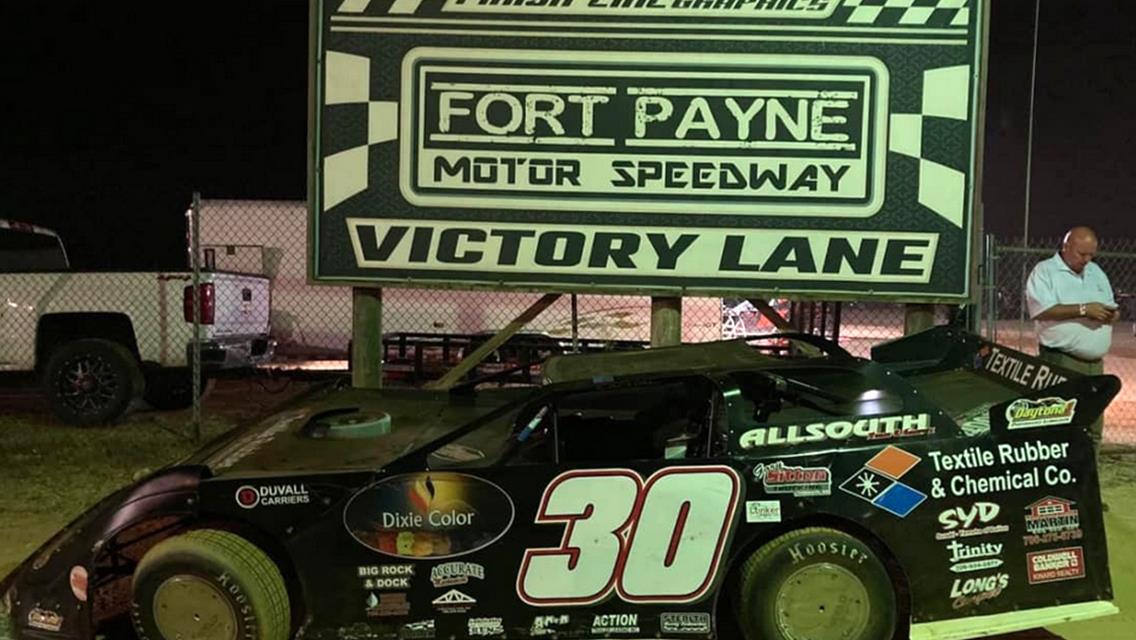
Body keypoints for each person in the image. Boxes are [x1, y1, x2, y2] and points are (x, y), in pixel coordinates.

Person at [1025, 226, 1117, 466]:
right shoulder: (1045, 271)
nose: (1086, 260)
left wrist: (1110, 315)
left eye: (1091, 255)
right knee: (1059, 428)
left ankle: (1088, 491)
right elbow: (1040, 310)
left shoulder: (1095, 271)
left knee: (1092, 429)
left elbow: (1110, 305)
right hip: (1061, 360)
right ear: (1066, 247)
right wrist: (1084, 309)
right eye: (1081, 254)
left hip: (1095, 365)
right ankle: (1058, 487)